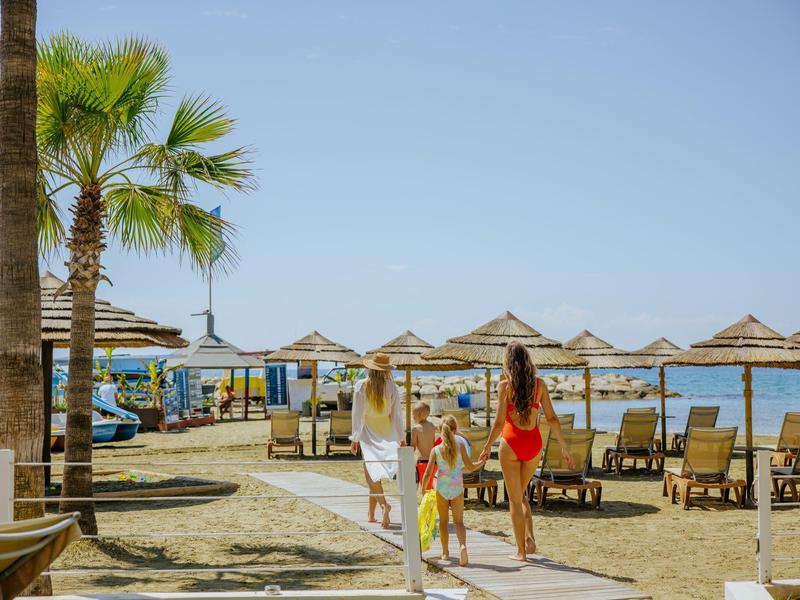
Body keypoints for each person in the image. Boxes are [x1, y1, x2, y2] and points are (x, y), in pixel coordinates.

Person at [479, 341, 574, 562]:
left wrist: (486, 447)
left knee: (514, 499)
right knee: (520, 494)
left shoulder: (505, 386)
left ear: (508, 362)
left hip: (511, 443)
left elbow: (499, 422)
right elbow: (551, 418)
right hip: (533, 445)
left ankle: (521, 552)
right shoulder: (539, 385)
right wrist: (564, 446)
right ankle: (530, 539)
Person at [421, 416, 485, 566]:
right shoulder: (460, 447)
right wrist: (482, 462)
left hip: (442, 487)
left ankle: (445, 553)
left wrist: (425, 489)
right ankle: (462, 546)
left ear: (440, 431)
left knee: (443, 522)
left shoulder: (436, 450)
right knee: (459, 522)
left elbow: (428, 473)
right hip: (457, 487)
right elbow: (470, 467)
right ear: (455, 430)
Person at [350, 352, 405, 528]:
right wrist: (401, 438)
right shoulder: (392, 387)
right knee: (373, 473)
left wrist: (355, 438)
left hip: (368, 433)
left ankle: (383, 506)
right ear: (386, 370)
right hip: (387, 434)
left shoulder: (361, 386)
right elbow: (396, 416)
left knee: (371, 475)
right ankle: (371, 515)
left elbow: (357, 415)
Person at [411, 401, 436, 489]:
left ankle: (429, 502)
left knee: (425, 488)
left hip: (422, 462)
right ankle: (433, 502)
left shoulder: (416, 428)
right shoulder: (432, 426)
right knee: (431, 485)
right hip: (433, 461)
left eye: (413, 413)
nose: (412, 416)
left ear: (419, 414)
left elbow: (413, 448)